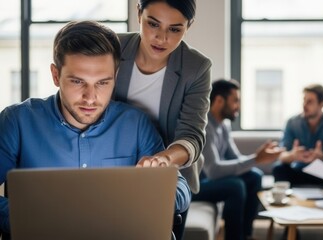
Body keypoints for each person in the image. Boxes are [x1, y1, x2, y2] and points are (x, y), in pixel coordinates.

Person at [0, 21, 191, 239]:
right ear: (55, 75)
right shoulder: (17, 121)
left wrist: (155, 192)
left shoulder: (135, 124)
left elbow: (181, 190)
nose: (90, 98)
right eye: (77, 81)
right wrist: (29, 217)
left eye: (102, 83)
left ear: (115, 77)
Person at [113, 1, 211, 238]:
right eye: (153, 24)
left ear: (189, 26)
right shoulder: (112, 47)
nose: (161, 37)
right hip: (113, 167)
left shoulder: (196, 67)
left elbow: (192, 135)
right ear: (138, 14)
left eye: (175, 29)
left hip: (168, 178)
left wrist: (164, 159)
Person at [192, 79, 284, 240]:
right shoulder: (205, 126)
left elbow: (235, 159)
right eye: (235, 101)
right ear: (219, 100)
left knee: (254, 176)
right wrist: (256, 158)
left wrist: (258, 157)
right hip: (195, 187)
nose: (238, 107)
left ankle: (246, 235)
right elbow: (214, 171)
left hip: (210, 181)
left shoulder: (224, 125)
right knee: (235, 186)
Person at [273, 84, 323, 187]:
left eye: (309, 102)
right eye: (304, 100)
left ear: (322, 104)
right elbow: (281, 155)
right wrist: (293, 156)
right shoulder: (292, 122)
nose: (304, 105)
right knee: (279, 168)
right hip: (298, 170)